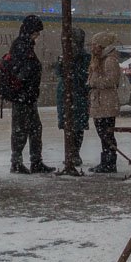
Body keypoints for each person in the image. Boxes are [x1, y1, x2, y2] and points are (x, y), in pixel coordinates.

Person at [7, 14, 55, 174]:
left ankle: (35, 161)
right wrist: (28, 82)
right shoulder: (21, 46)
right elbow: (24, 71)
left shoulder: (25, 45)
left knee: (34, 129)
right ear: (30, 31)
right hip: (23, 96)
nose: (38, 35)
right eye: (36, 32)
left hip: (27, 96)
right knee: (22, 130)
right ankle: (18, 162)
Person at [55, 26, 90, 168]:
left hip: (77, 94)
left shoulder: (84, 58)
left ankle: (74, 152)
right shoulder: (66, 56)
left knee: (77, 126)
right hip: (68, 94)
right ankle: (71, 152)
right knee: (69, 125)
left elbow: (83, 76)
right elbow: (60, 73)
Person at [87, 31, 122, 174]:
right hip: (100, 101)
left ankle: (109, 162)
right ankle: (106, 161)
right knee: (103, 133)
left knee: (106, 133)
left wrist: (93, 81)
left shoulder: (109, 60)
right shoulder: (100, 59)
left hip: (106, 102)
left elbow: (112, 80)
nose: (92, 47)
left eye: (95, 44)